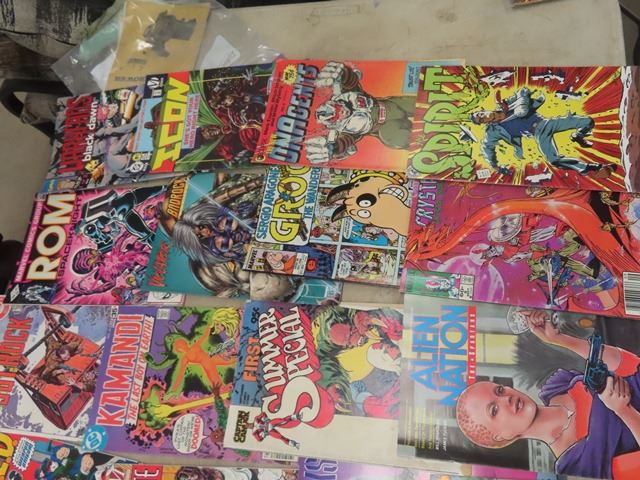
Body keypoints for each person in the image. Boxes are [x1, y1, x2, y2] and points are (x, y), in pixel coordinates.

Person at [455, 310, 640, 478]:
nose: (506, 398)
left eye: (499, 390)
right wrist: (624, 411)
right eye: (494, 410)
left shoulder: (557, 385)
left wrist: (559, 339)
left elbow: (629, 364)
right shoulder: (575, 464)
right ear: (501, 437)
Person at [469, 87, 611, 178]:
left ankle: (578, 135)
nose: (483, 116)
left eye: (480, 114)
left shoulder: (506, 104)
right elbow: (487, 147)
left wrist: (522, 103)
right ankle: (592, 168)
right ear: (484, 123)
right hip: (538, 133)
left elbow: (523, 91)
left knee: (588, 122)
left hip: (546, 123)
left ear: (484, 110)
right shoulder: (493, 131)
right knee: (554, 160)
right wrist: (495, 166)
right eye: (481, 119)